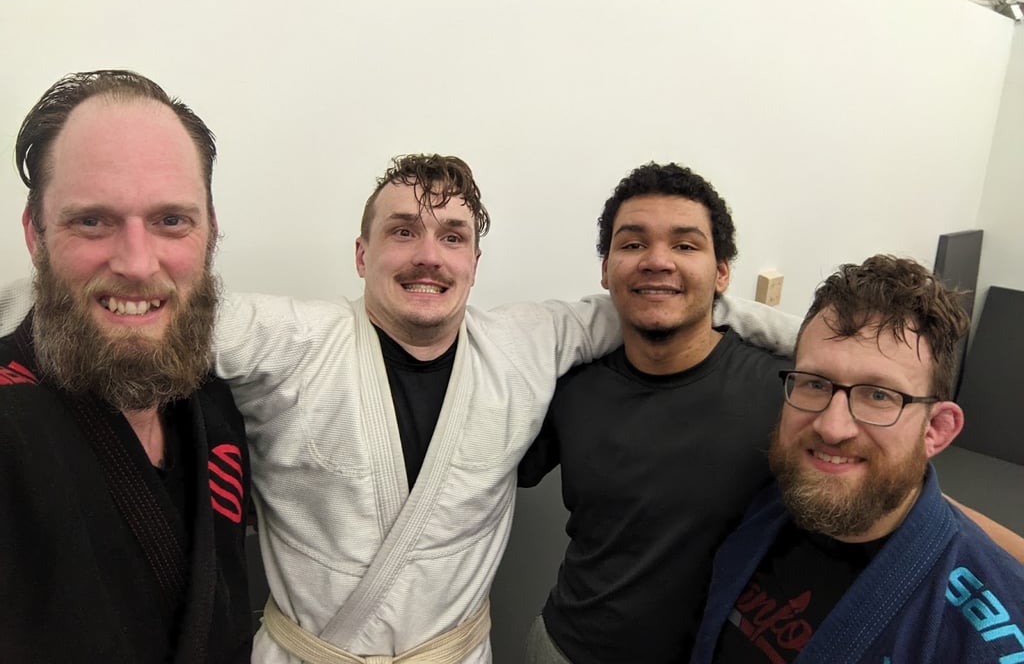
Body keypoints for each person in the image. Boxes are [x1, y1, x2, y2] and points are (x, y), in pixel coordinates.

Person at [0, 151, 795, 661]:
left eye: (452, 236)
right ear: (362, 253)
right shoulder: (289, 339)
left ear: (475, 260)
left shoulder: (529, 341)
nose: (428, 255)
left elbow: (659, 299)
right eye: (404, 231)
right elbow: (144, 303)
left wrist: (805, 340)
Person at [0, 71, 253, 662]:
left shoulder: (215, 407)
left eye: (171, 221)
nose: (138, 264)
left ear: (211, 232)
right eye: (92, 220)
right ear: (36, 234)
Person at [517, 163, 791, 663]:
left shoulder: (785, 393)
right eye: (633, 243)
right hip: (566, 649)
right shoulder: (567, 386)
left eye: (685, 245)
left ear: (722, 272)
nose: (657, 261)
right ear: (606, 269)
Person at [690, 255, 1024, 663]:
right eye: (815, 383)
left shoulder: (984, 641)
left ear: (935, 429)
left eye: (879, 395)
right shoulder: (764, 499)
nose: (832, 428)